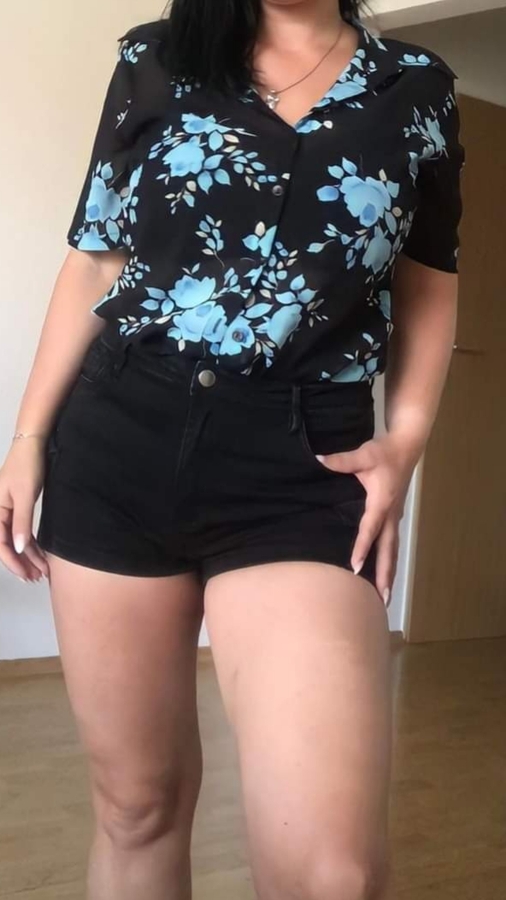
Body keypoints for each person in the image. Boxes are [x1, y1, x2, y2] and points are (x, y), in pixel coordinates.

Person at [1, 0, 464, 897]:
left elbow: (429, 280)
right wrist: (27, 439)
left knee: (334, 874)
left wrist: (405, 443)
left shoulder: (416, 89)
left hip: (302, 462)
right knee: (137, 807)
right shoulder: (156, 59)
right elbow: (96, 259)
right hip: (119, 440)